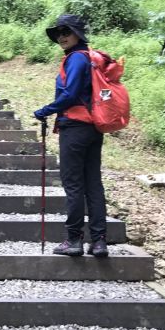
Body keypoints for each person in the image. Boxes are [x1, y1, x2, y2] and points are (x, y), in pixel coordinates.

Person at [33, 15, 109, 258]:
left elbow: (70, 94)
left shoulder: (76, 58)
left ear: (79, 34)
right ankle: (98, 242)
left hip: (75, 129)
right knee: (93, 184)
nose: (61, 36)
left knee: (74, 184)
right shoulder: (88, 58)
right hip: (93, 128)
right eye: (58, 33)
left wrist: (44, 111)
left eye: (67, 31)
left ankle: (74, 239)